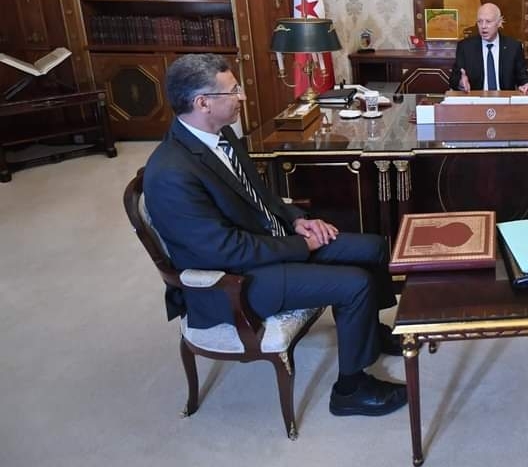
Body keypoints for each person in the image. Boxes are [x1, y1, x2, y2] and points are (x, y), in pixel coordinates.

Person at [143, 53, 407, 417]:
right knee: (354, 284)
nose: (242, 96)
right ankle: (351, 390)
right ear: (202, 103)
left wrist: (297, 220)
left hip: (267, 244)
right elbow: (224, 250)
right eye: (233, 91)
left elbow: (262, 196)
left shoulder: (222, 136)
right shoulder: (171, 173)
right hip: (233, 281)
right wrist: (299, 245)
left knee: (373, 247)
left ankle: (370, 333)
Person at [449, 2, 528, 94]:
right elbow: (454, 79)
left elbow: (523, 76)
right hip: (476, 99)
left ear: (499, 23)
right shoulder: (465, 47)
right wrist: (460, 83)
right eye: (480, 21)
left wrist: (526, 85)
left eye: (488, 21)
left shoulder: (513, 47)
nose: (483, 26)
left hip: (504, 99)